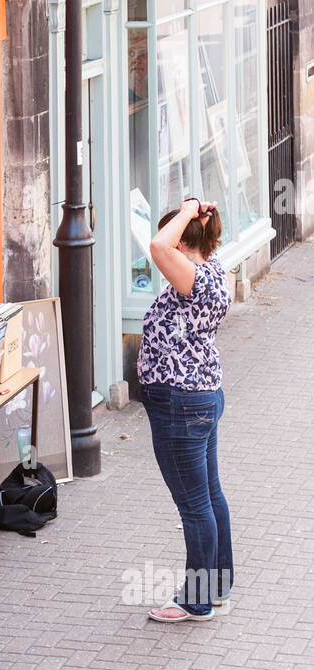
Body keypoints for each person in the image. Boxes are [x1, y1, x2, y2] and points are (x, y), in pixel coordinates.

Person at [137, 197, 232, 622]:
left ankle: (197, 600)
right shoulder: (213, 270)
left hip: (181, 404)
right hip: (200, 396)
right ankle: (218, 586)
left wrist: (188, 207)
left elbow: (157, 247)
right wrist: (194, 214)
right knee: (209, 495)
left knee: (195, 506)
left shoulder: (193, 276)